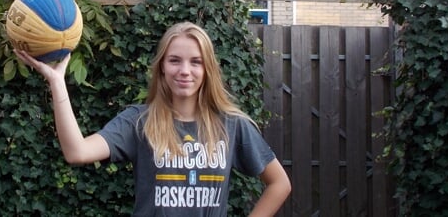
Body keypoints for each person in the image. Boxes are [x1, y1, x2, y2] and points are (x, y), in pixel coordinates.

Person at [16, 21, 291, 216]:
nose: (185, 70)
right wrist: (56, 81)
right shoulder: (138, 121)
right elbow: (77, 152)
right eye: (174, 60)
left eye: (195, 62)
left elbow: (279, 184)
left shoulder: (231, 125)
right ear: (161, 68)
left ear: (208, 69)